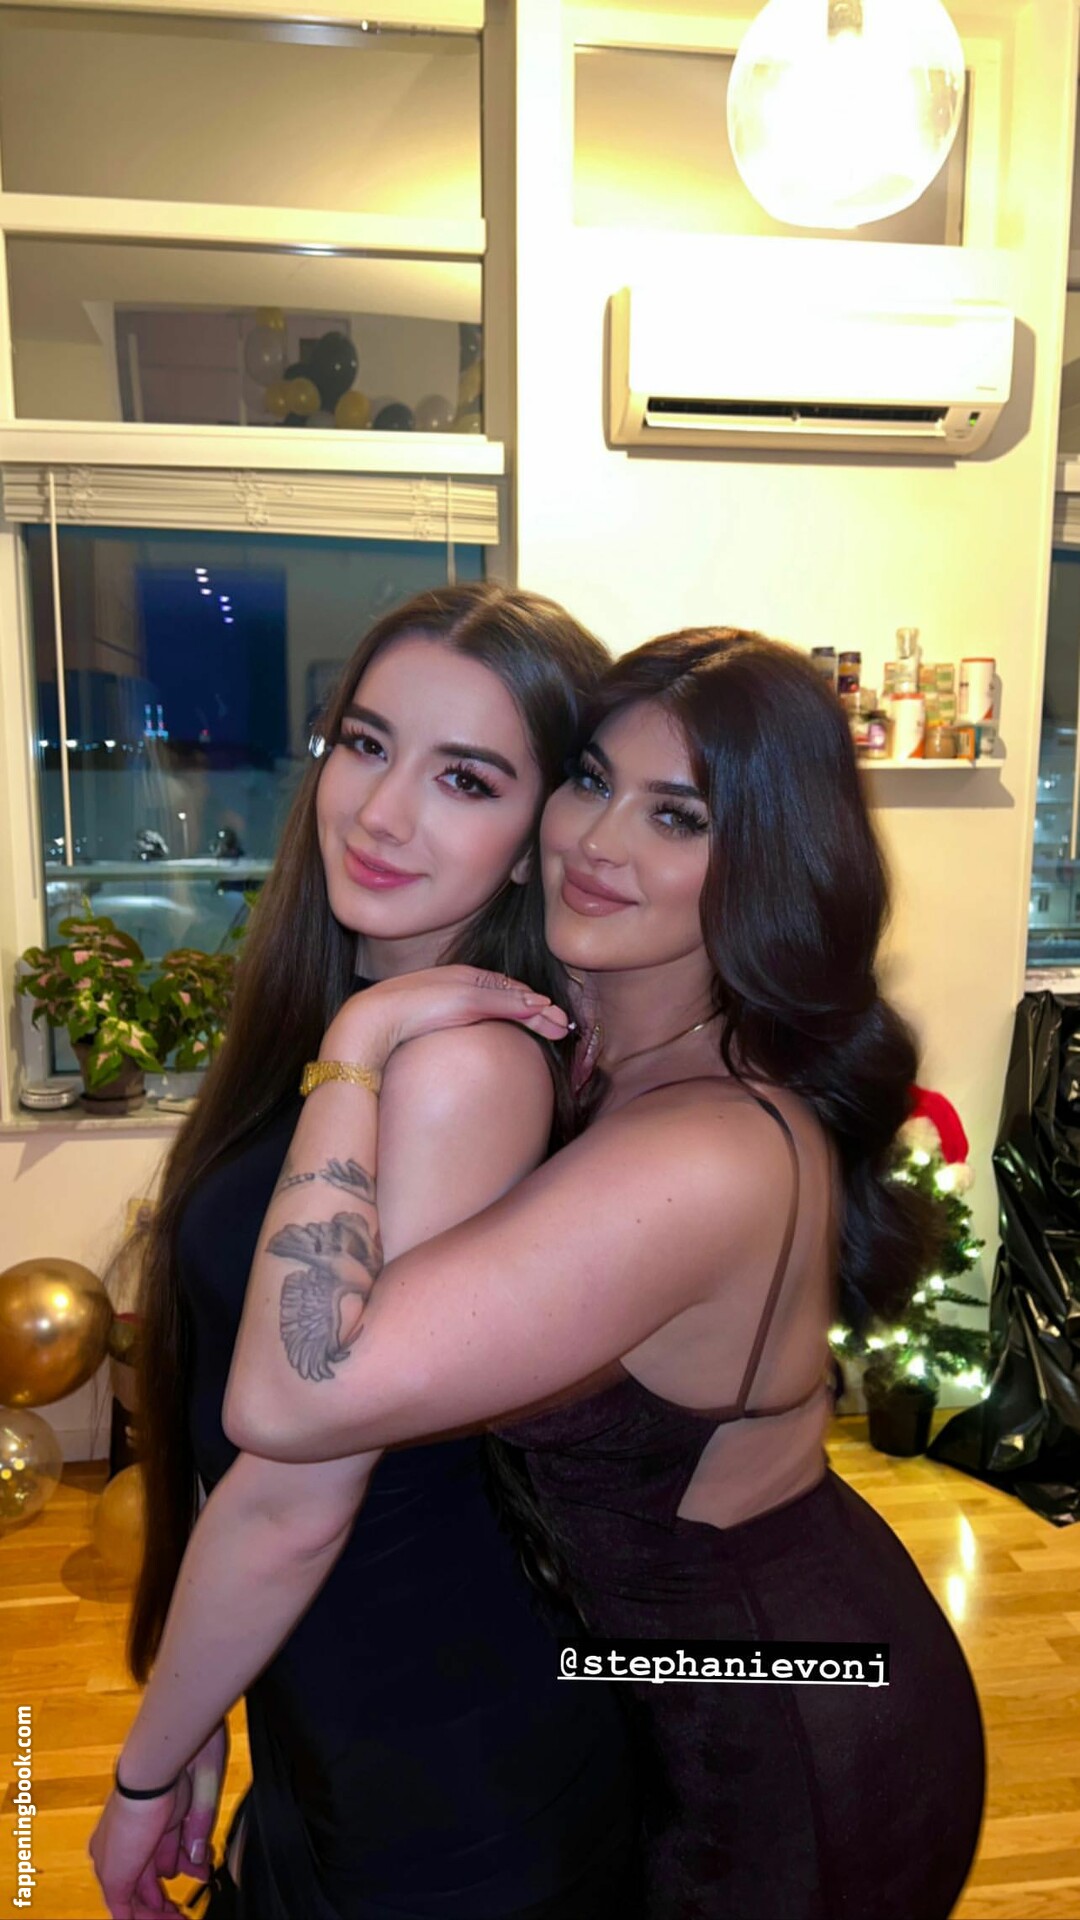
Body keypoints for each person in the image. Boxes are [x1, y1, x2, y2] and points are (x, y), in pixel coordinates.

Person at [98, 627, 986, 1920]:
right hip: (616, 1668)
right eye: (590, 781)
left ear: (770, 861)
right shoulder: (589, 1050)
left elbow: (293, 1406)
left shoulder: (700, 1145)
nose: (597, 842)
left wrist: (362, 1041)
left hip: (766, 1709)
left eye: (677, 814)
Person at [92, 583, 640, 1920]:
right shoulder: (363, 1021)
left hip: (439, 1763)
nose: (383, 812)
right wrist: (209, 1699)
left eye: (466, 778)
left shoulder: (457, 1068)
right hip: (338, 1706)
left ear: (535, 844)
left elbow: (301, 1491)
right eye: (366, 743)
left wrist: (146, 1767)